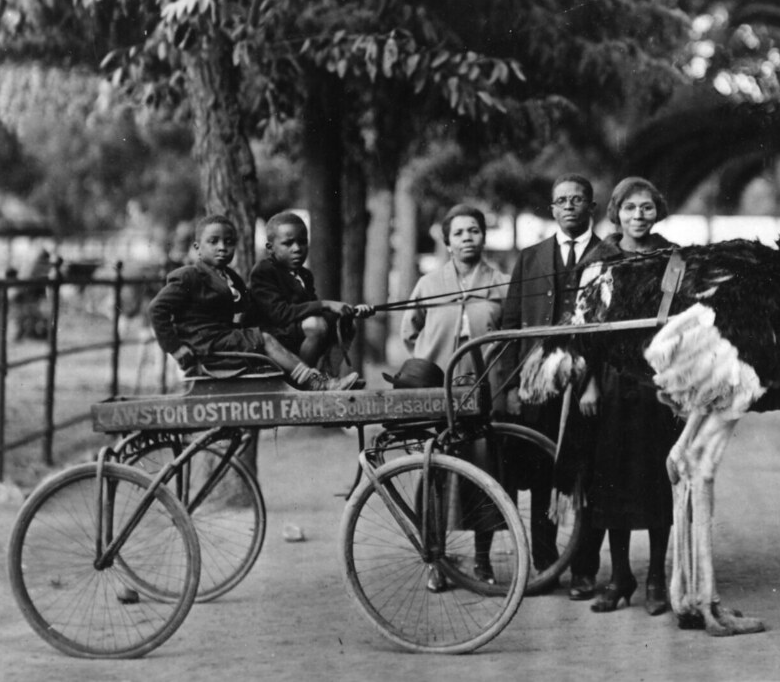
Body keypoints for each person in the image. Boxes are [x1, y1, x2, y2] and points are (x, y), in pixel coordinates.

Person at [576, 176, 684, 616]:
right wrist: (588, 382)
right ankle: (620, 576)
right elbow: (583, 324)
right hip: (613, 383)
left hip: (659, 384)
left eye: (646, 208)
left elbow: (684, 321)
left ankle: (657, 576)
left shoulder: (673, 258)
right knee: (613, 484)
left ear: (657, 211)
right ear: (615, 213)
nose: (638, 216)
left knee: (659, 483)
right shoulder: (600, 259)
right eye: (629, 209)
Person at [500, 173, 606, 599]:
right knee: (542, 475)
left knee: (587, 476)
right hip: (538, 385)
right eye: (561, 201)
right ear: (552, 209)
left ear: (591, 207)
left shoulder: (608, 254)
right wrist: (511, 384)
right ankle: (546, 565)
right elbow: (509, 324)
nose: (569, 207)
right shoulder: (531, 258)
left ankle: (583, 570)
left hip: (588, 384)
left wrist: (594, 381)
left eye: (577, 200)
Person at [400, 204, 510, 591]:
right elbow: (410, 332)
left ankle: (482, 561)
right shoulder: (429, 285)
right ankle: (436, 560)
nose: (467, 238)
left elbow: (512, 335)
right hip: (438, 394)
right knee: (436, 476)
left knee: (485, 476)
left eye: (474, 231)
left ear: (483, 236)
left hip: (484, 392)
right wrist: (433, 360)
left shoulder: (501, 283)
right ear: (447, 242)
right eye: (459, 233)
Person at [148, 214, 358, 391]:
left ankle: (323, 375)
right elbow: (157, 309)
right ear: (198, 247)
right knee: (264, 340)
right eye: (213, 242)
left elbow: (249, 309)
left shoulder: (232, 278)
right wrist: (175, 348)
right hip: (206, 343)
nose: (222, 248)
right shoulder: (189, 276)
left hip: (226, 338)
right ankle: (314, 382)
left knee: (268, 337)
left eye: (229, 242)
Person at [250, 211, 373, 372]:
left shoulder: (304, 275)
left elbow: (313, 310)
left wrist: (350, 312)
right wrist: (325, 304)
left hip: (293, 333)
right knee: (316, 326)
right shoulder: (264, 271)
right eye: (288, 243)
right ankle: (306, 382)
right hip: (271, 339)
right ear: (270, 248)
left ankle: (328, 373)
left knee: (346, 325)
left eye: (302, 242)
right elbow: (281, 314)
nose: (297, 249)